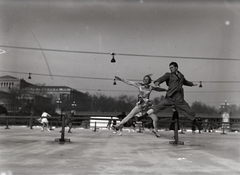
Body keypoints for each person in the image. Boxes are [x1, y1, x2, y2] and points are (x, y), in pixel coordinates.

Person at [138, 62, 203, 131]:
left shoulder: (181, 76)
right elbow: (161, 78)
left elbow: (185, 82)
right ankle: (143, 116)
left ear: (176, 67)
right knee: (158, 107)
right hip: (170, 97)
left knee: (189, 110)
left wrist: (193, 84)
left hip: (178, 98)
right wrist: (157, 82)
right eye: (170, 68)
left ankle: (195, 123)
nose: (170, 69)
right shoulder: (169, 75)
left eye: (172, 68)